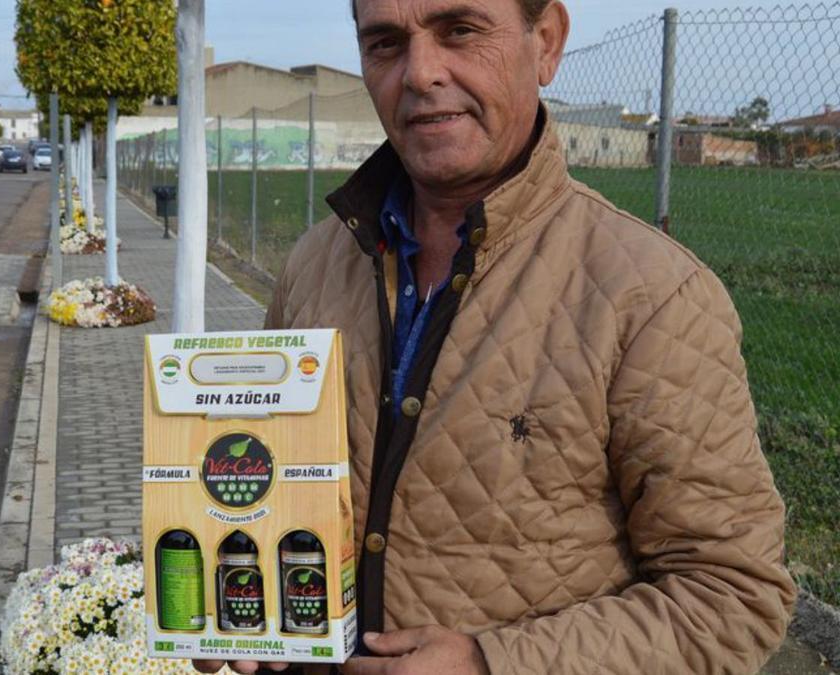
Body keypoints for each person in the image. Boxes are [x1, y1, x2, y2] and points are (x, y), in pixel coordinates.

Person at [196, 0, 795, 673]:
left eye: (460, 31)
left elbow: (733, 595)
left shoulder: (651, 297)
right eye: (386, 43)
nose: (420, 72)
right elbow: (272, 491)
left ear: (547, 41)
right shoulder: (313, 265)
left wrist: (493, 663)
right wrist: (242, 599)